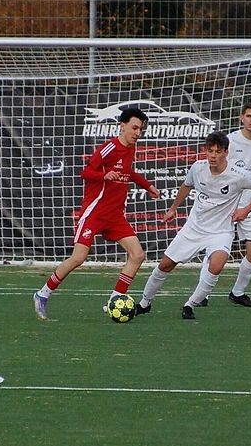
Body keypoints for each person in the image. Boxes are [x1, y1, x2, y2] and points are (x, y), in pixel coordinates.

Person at [33, 107, 160, 320]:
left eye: (141, 129)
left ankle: (114, 301)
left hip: (115, 215)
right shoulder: (109, 147)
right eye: (134, 128)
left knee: (137, 255)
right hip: (95, 212)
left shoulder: (130, 148)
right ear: (122, 126)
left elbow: (128, 172)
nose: (138, 133)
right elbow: (85, 172)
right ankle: (42, 294)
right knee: (78, 258)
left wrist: (148, 186)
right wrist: (104, 175)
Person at [135, 130, 251, 320]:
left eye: (217, 151)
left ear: (226, 152)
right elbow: (186, 185)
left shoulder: (239, 174)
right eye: (210, 151)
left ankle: (190, 305)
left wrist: (246, 210)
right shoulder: (198, 168)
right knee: (165, 265)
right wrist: (173, 209)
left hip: (221, 231)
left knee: (216, 265)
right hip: (194, 228)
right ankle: (144, 303)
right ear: (205, 151)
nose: (213, 156)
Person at [197, 103, 251, 308]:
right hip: (227, 204)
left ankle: (238, 292)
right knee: (216, 250)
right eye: (248, 116)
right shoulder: (230, 140)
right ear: (242, 118)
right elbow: (218, 168)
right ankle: (202, 293)